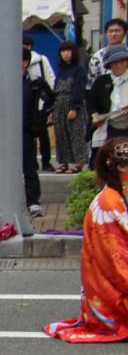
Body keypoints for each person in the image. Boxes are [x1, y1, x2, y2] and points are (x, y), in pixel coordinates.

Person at [45, 138, 128, 343]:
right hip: (112, 283)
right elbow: (116, 261)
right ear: (115, 167)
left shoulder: (118, 193)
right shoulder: (108, 202)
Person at [51, 41, 89, 173]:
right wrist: (52, 109)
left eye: (68, 51)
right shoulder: (61, 69)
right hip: (59, 104)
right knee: (61, 134)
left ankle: (80, 162)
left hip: (73, 103)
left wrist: (74, 107)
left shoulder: (79, 68)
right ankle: (64, 162)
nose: (66, 54)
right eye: (63, 51)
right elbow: (55, 89)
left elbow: (79, 88)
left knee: (76, 133)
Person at [21, 49, 50, 218]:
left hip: (27, 132)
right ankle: (3, 201)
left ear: (25, 63)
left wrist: (40, 119)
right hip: (8, 134)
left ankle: (33, 202)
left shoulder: (35, 83)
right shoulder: (3, 82)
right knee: (4, 169)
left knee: (30, 168)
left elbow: (50, 99)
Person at [23, 34, 57, 171]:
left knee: (43, 135)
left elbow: (50, 78)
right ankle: (31, 162)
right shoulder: (13, 60)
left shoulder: (41, 60)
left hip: (41, 104)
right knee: (28, 136)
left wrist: (50, 104)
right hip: (26, 105)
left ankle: (46, 161)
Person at [87, 18, 126, 94]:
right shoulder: (97, 57)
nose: (114, 34)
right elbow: (90, 84)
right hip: (104, 98)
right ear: (106, 34)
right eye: (110, 31)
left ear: (125, 33)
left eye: (117, 31)